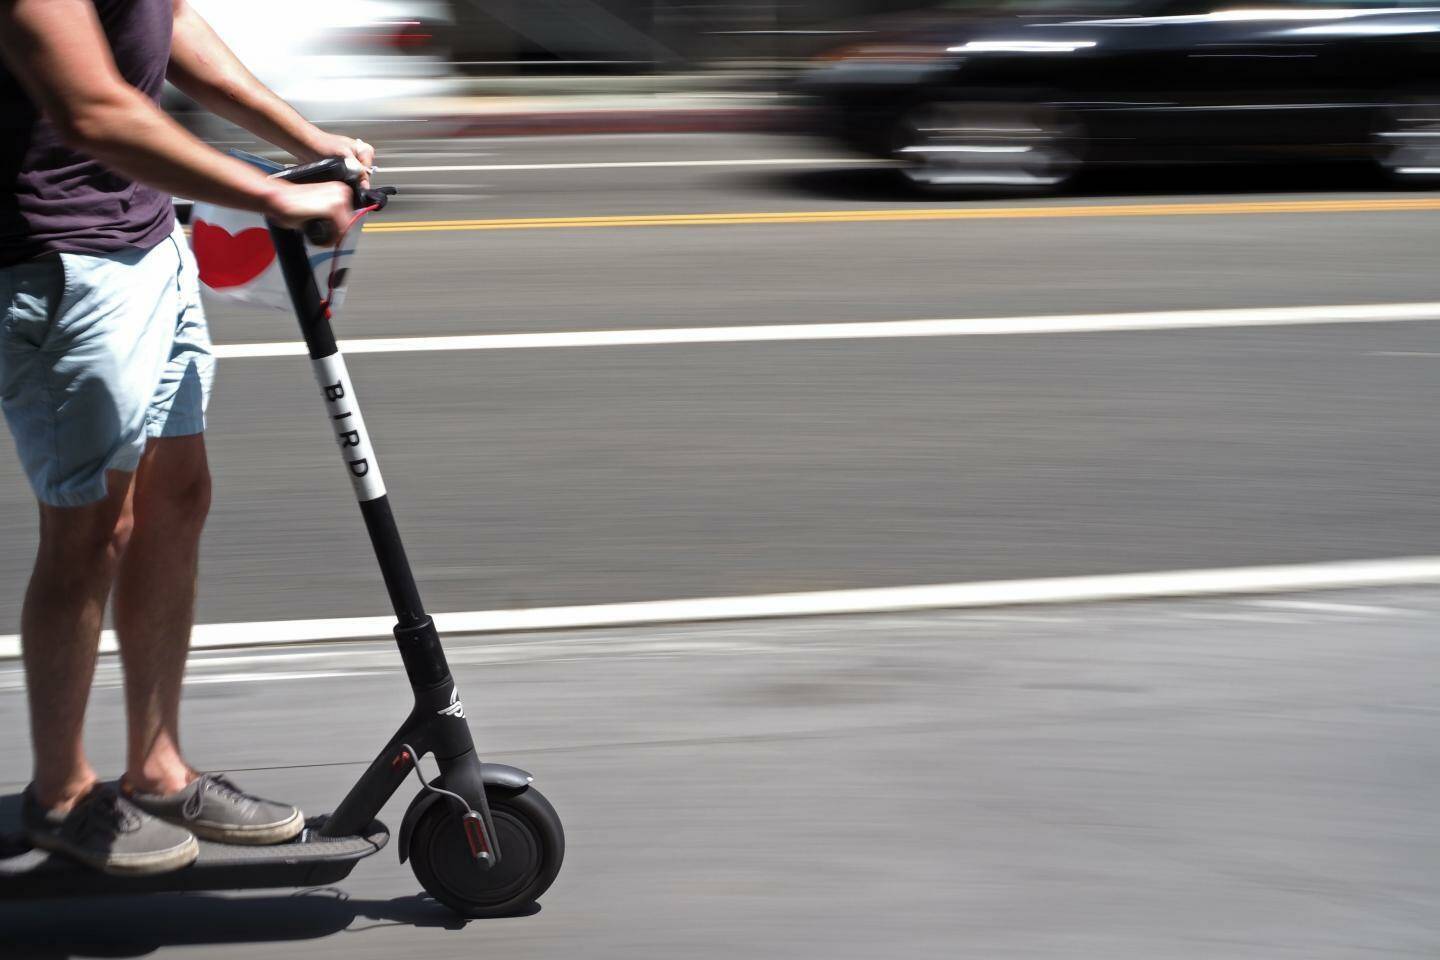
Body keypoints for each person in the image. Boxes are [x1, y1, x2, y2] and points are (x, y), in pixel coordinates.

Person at [0, 0, 375, 875]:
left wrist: (299, 136)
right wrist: (277, 194)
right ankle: (59, 793)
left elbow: (161, 21)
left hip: (149, 238)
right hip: (63, 265)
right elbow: (90, 106)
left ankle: (159, 771)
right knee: (93, 532)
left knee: (177, 498)